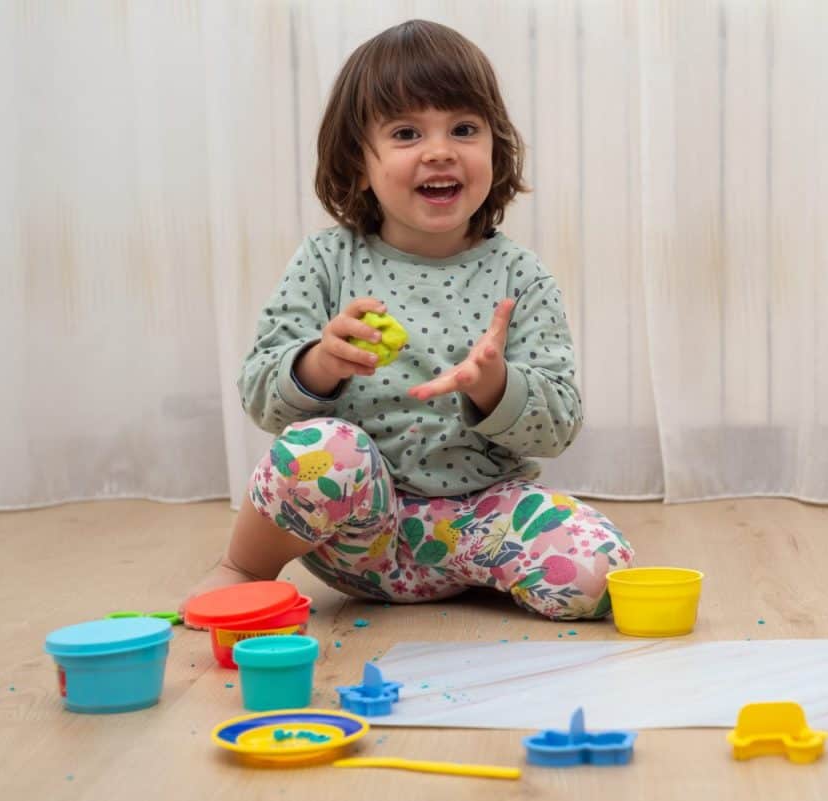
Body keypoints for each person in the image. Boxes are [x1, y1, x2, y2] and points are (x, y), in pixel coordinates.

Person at [184, 19, 633, 621]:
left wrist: (494, 386)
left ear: (496, 150)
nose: (441, 149)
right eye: (405, 132)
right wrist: (318, 365)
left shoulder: (520, 277)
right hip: (355, 532)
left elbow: (558, 428)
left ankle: (472, 573)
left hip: (476, 522)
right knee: (322, 449)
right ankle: (243, 566)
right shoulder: (326, 261)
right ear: (358, 162)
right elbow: (262, 398)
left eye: (464, 128)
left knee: (603, 574)